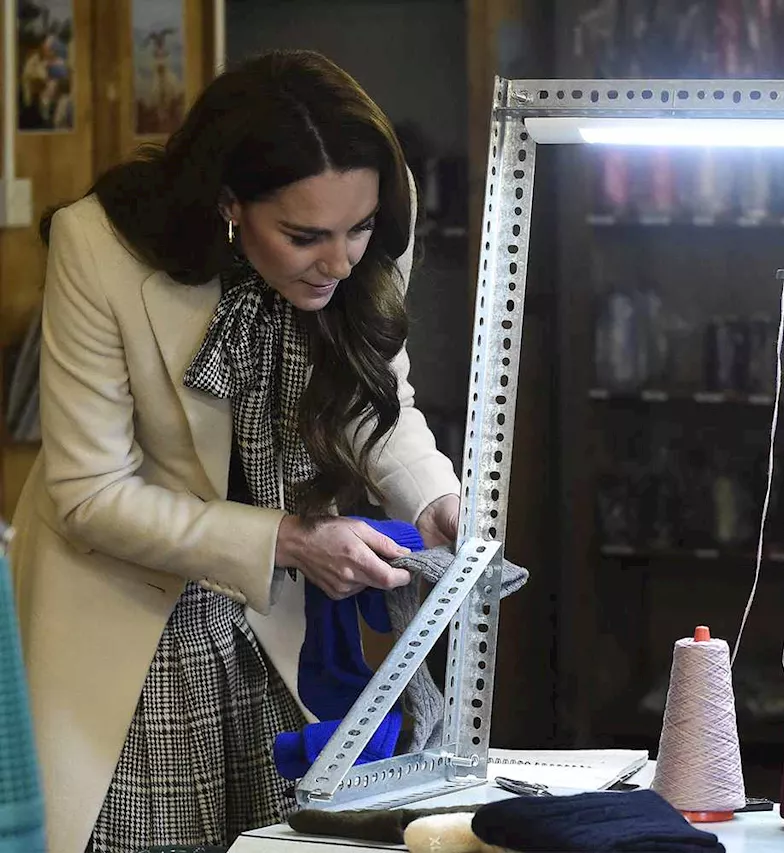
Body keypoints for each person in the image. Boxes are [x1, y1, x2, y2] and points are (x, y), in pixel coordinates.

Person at [7, 50, 463, 853]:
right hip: (127, 613)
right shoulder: (98, 247)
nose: (342, 259)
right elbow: (88, 494)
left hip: (273, 620)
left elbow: (376, 402)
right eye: (305, 236)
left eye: (358, 230)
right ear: (228, 204)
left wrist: (434, 498)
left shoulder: (370, 214)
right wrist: (288, 539)